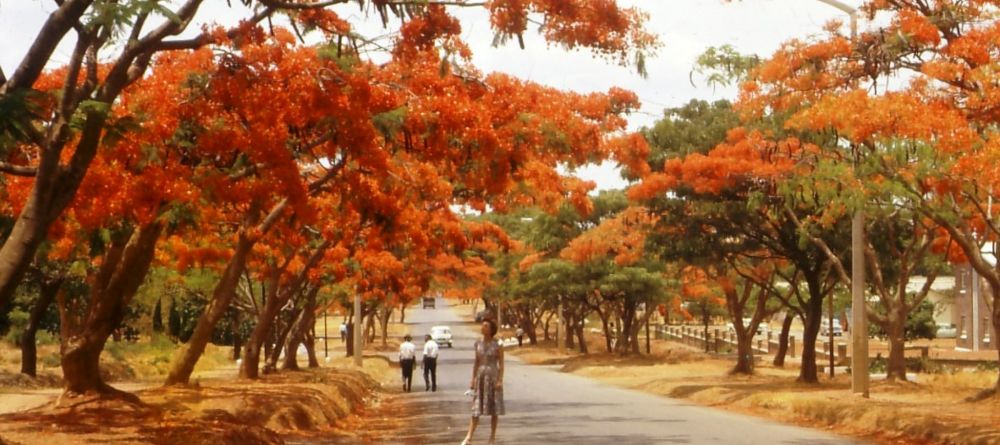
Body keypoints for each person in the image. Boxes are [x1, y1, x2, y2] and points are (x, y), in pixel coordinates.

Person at [461, 319, 504, 445]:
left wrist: (500, 380)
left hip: (493, 376)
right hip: (480, 376)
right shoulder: (478, 343)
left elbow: (501, 363)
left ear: (491, 330)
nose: (482, 328)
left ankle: (492, 437)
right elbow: (476, 361)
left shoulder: (498, 344)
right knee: (476, 408)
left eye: (485, 326)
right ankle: (469, 437)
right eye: (482, 325)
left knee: (494, 409)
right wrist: (473, 379)